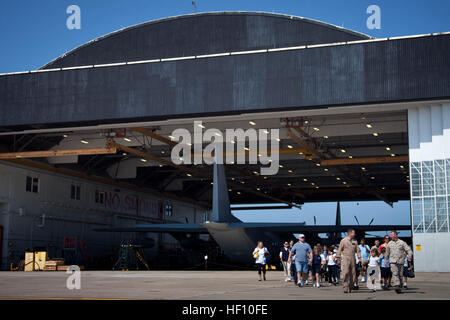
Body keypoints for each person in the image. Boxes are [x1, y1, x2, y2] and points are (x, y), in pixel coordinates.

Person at [337, 229, 362, 293]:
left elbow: (358, 250)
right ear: (350, 233)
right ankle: (345, 287)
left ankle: (351, 286)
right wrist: (338, 258)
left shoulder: (355, 241)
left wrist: (360, 258)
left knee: (353, 273)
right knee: (345, 272)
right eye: (353, 233)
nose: (355, 234)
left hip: (353, 258)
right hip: (345, 258)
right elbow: (339, 249)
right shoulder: (343, 241)